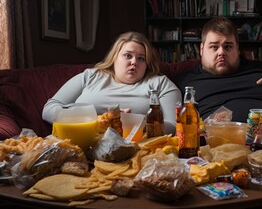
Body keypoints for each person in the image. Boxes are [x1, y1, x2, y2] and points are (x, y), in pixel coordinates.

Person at [42, 31, 181, 134]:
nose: (134, 62)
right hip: (81, 140)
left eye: (141, 58)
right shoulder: (90, 76)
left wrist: (134, 122)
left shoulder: (160, 84)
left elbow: (174, 126)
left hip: (135, 147)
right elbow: (49, 109)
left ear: (147, 64)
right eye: (128, 55)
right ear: (114, 57)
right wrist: (100, 120)